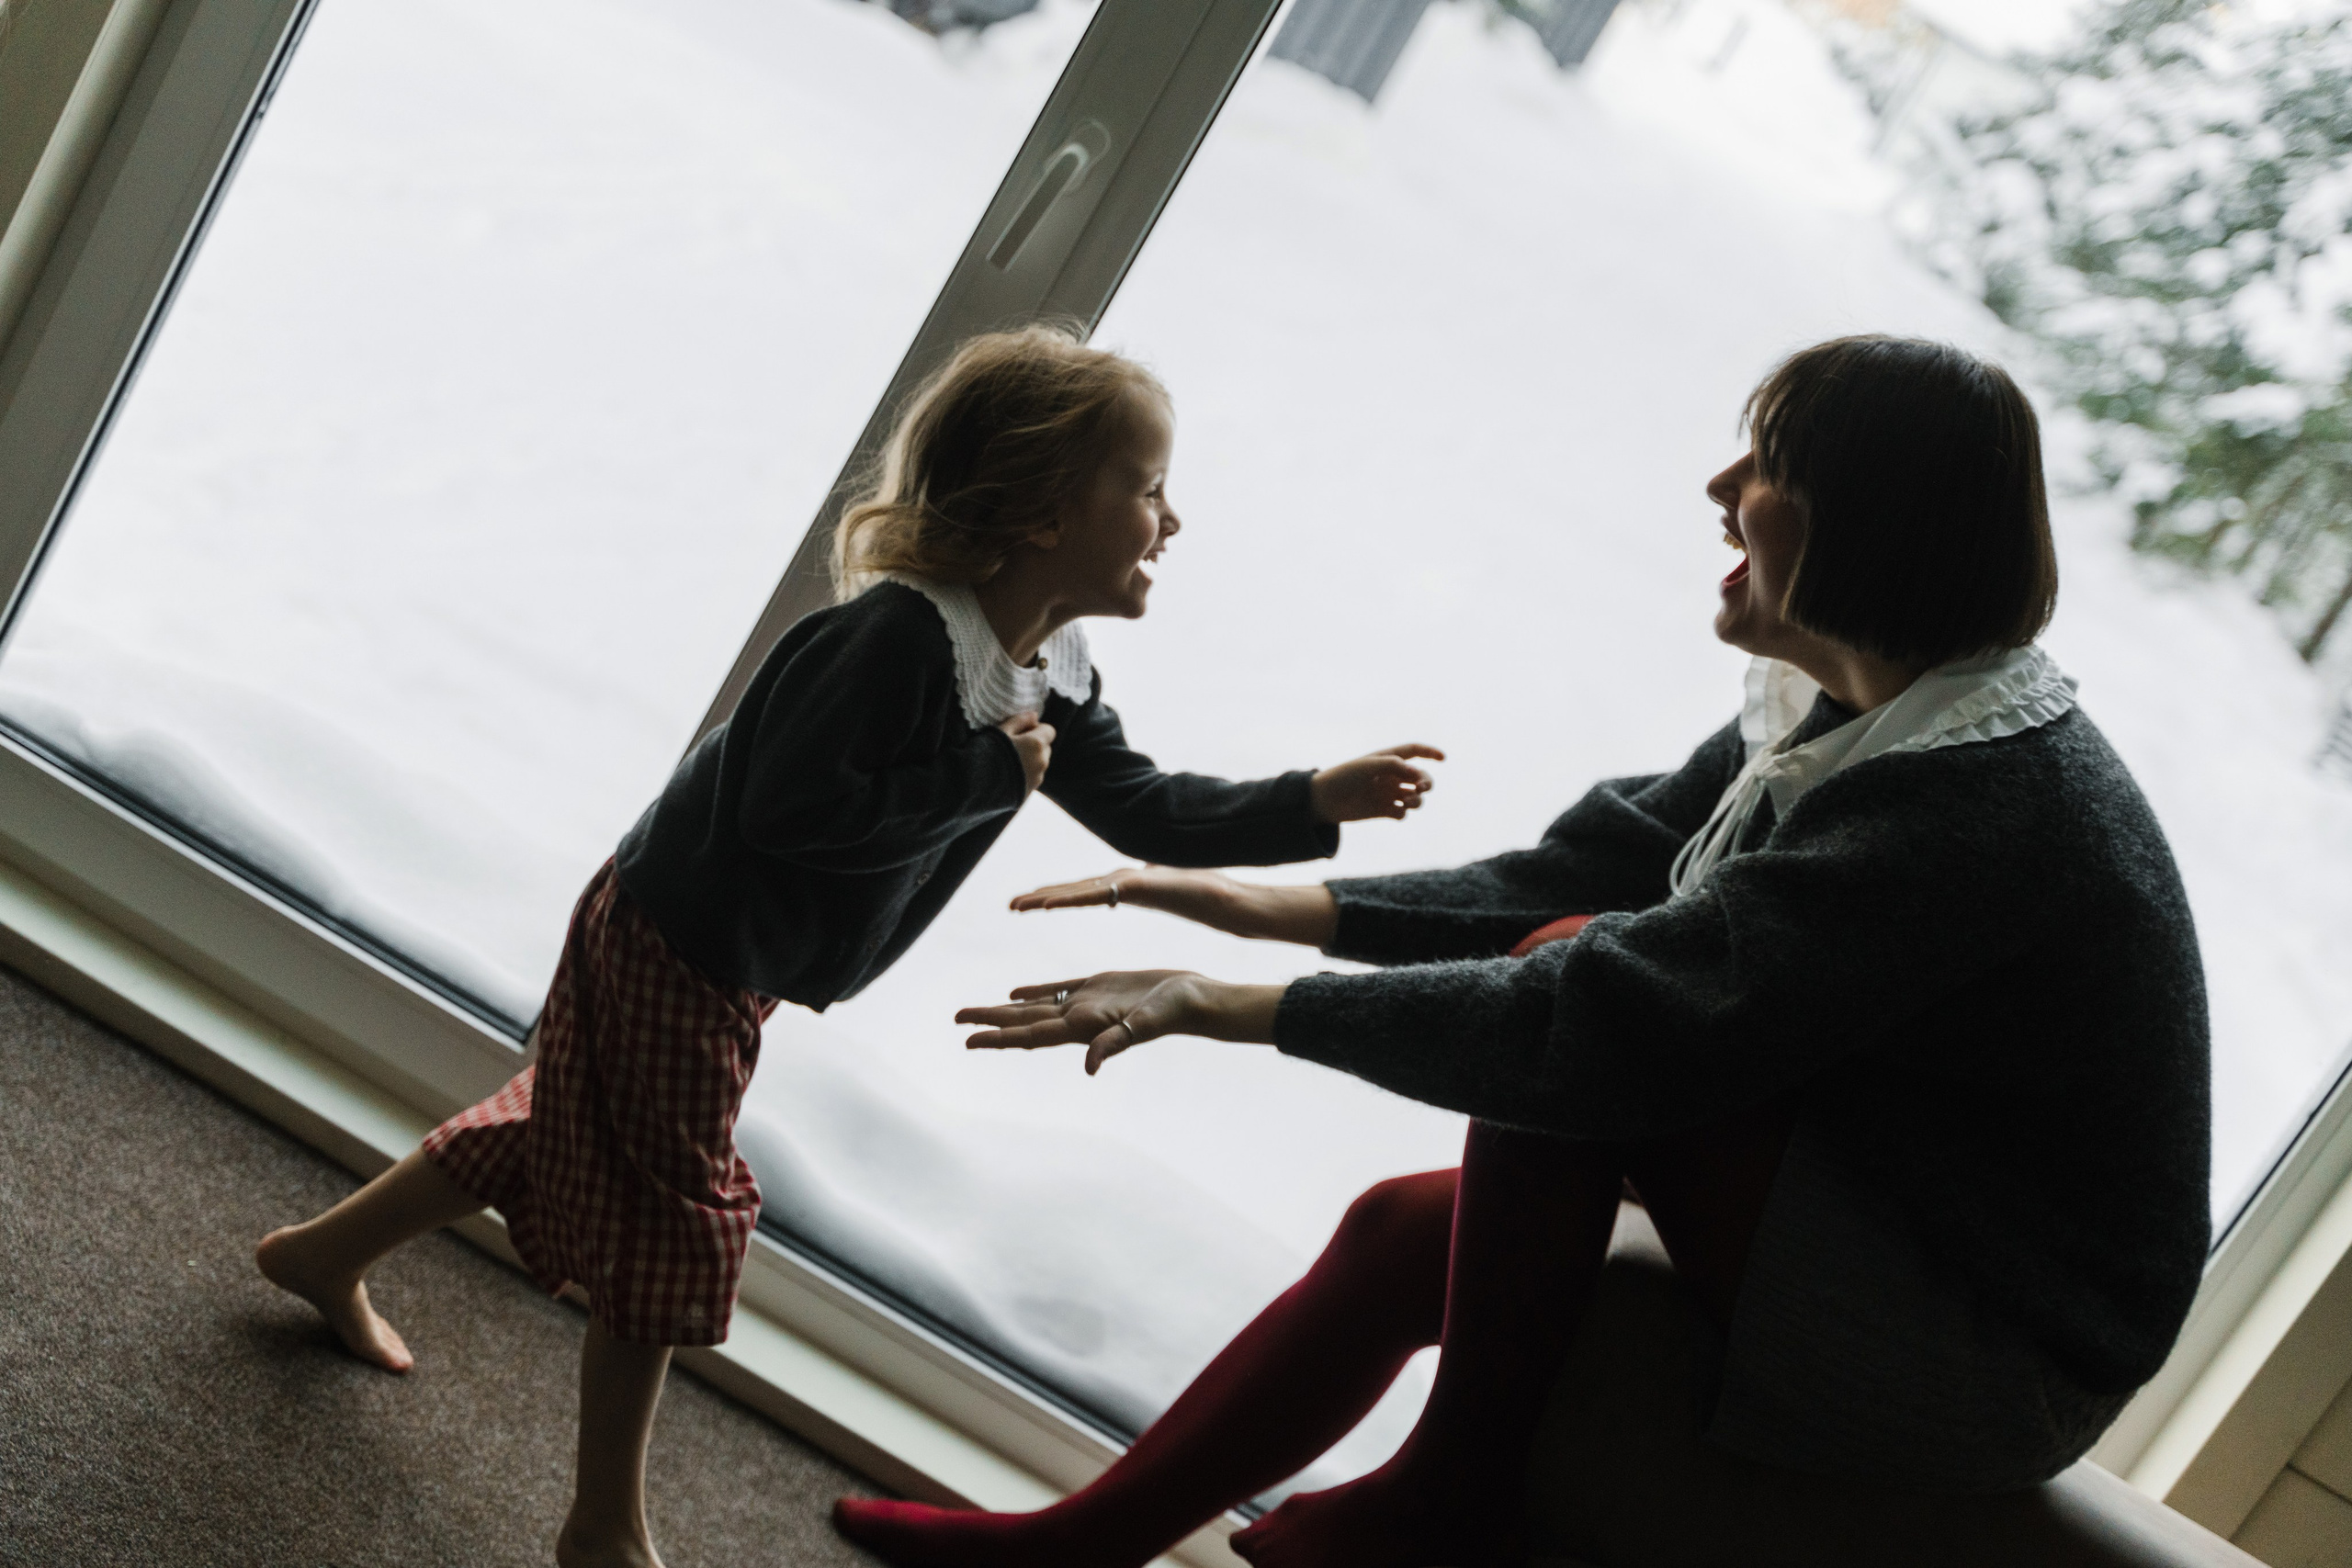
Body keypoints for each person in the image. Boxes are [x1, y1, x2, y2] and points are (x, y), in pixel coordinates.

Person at [833, 336, 2212, 1568]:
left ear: (1874, 527)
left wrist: (1230, 1005)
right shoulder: (1860, 706)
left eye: (1771, 462)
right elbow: (1591, 873)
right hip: (1882, 1202)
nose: (1722, 487)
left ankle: (1451, 1496)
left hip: (1990, 1346)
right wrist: (1278, 907)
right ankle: (1076, 1552)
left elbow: (1616, 1011)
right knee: (1395, 1233)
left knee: (1578, 977)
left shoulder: (1971, 797)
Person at [252, 324, 1445, 1568]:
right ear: (1043, 513)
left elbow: (1147, 805)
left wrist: (1312, 799)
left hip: (734, 953)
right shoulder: (895, 641)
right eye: (1146, 489)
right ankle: (602, 1524)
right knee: (676, 1214)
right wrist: (983, 772)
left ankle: (319, 1255)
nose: (1173, 520)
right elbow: (793, 810)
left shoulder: (1046, 668)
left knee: (561, 1118)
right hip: (681, 936)